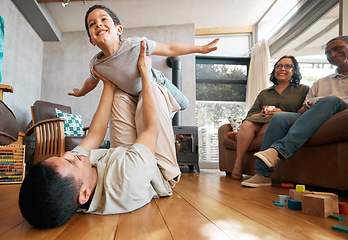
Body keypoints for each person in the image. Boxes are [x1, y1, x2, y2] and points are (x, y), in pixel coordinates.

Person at [19, 41, 174, 229]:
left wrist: (107, 84)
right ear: (84, 194)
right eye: (69, 161)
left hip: (124, 156)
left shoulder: (76, 179)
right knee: (153, 90)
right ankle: (173, 98)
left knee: (119, 95)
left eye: (62, 156)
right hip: (157, 169)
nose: (69, 154)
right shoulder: (128, 177)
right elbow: (151, 128)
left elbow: (95, 135)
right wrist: (144, 72)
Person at [241, 35, 348, 187]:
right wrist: (310, 105)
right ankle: (262, 174)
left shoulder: (302, 88)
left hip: (342, 114)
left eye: (337, 49)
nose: (331, 54)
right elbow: (302, 110)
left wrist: (327, 101)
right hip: (319, 117)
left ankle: (278, 151)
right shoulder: (320, 82)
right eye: (327, 53)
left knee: (331, 100)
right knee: (281, 117)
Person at [68, 4, 219, 111]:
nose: (98, 25)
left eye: (104, 20)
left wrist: (201, 48)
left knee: (183, 105)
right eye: (92, 24)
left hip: (158, 83)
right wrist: (81, 92)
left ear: (118, 29)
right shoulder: (97, 65)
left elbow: (169, 48)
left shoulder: (135, 44)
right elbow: (91, 81)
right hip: (134, 96)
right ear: (91, 40)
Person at [230, 55, 309, 180]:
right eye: (279, 66)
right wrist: (261, 113)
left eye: (288, 66)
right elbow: (250, 115)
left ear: (294, 71)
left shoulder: (303, 90)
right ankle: (238, 163)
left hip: (282, 123)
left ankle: (240, 136)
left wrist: (281, 112)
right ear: (274, 70)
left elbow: (304, 113)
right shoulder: (264, 93)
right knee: (247, 124)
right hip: (261, 121)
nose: (282, 68)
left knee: (272, 123)